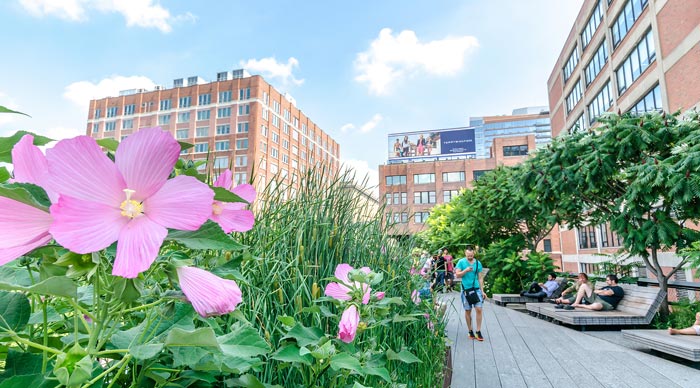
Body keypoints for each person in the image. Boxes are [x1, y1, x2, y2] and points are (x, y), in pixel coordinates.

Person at [455, 247, 486, 341]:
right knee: (468, 311)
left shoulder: (478, 263)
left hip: (476, 289)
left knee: (479, 309)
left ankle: (478, 331)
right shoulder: (461, 262)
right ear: (465, 253)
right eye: (468, 255)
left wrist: (482, 291)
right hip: (466, 290)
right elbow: (457, 275)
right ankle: (470, 330)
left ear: (474, 253)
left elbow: (480, 277)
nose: (470, 257)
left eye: (471, 255)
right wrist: (465, 270)